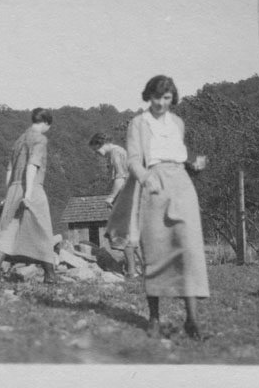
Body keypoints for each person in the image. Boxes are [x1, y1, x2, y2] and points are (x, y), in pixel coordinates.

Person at [105, 75, 209, 340]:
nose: (161, 103)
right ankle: (154, 317)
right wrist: (145, 177)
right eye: (156, 98)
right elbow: (134, 161)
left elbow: (179, 157)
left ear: (172, 98)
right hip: (153, 186)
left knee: (189, 249)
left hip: (183, 187)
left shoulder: (178, 123)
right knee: (156, 249)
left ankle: (192, 320)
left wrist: (193, 166)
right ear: (147, 97)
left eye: (166, 98)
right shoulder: (138, 123)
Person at [0, 108, 58, 284]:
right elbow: (33, 165)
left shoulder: (19, 140)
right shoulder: (40, 139)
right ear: (46, 123)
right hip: (31, 186)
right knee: (42, 228)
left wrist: (9, 194)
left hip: (13, 187)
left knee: (8, 230)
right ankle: (50, 275)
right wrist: (28, 194)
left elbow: (9, 169)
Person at [89, 132, 140, 278]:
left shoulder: (114, 153)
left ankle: (132, 272)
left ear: (101, 144)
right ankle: (139, 269)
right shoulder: (121, 151)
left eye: (96, 149)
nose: (97, 154)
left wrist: (111, 197)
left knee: (122, 234)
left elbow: (120, 178)